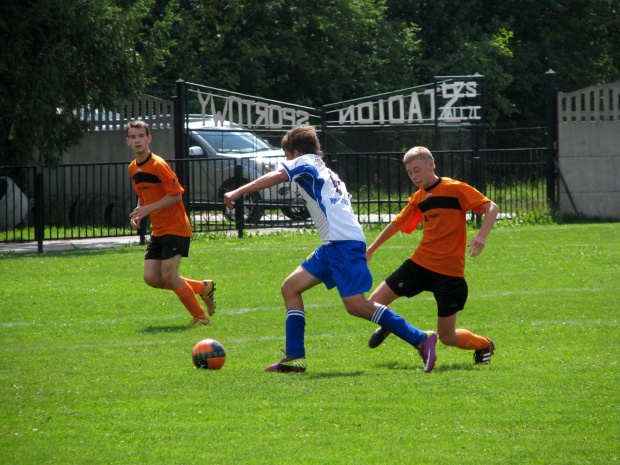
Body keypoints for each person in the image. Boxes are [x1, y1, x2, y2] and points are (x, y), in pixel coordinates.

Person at [224, 126, 438, 373]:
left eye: (287, 157)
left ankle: (421, 338)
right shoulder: (327, 172)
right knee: (290, 287)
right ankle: (294, 356)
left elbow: (278, 175)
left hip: (342, 244)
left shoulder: (304, 161)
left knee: (356, 306)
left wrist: (238, 191)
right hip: (334, 245)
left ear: (295, 152)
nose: (286, 162)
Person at [365, 146, 499, 365]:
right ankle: (397, 327)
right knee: (374, 303)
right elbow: (397, 224)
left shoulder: (454, 189)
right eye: (409, 173)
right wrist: (371, 249)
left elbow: (490, 207)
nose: (414, 176)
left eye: (417, 170)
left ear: (431, 165)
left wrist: (481, 236)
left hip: (449, 273)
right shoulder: (418, 198)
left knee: (448, 337)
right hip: (420, 264)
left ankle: (484, 344)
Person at [126, 120, 216, 326]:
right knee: (152, 278)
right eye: (133, 137)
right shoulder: (133, 168)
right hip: (158, 230)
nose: (137, 140)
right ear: (128, 141)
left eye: (141, 136)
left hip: (176, 226)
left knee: (169, 274)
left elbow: (176, 196)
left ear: (149, 139)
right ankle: (203, 288)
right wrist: (139, 214)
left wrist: (147, 209)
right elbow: (142, 195)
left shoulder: (158, 164)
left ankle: (201, 318)